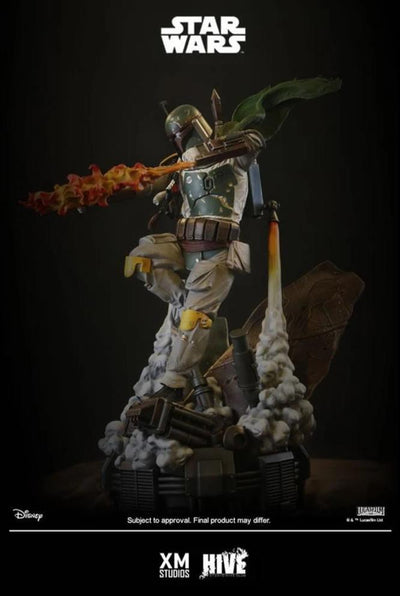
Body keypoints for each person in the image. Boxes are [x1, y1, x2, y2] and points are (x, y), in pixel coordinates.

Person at [124, 103, 265, 401]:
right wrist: (113, 189)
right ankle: (182, 300)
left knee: (194, 318)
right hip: (184, 245)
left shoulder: (233, 157)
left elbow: (253, 143)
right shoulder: (181, 166)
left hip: (218, 252)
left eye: (184, 133)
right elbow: (146, 183)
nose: (183, 141)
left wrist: (234, 143)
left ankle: (174, 382)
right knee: (140, 258)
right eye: (178, 137)